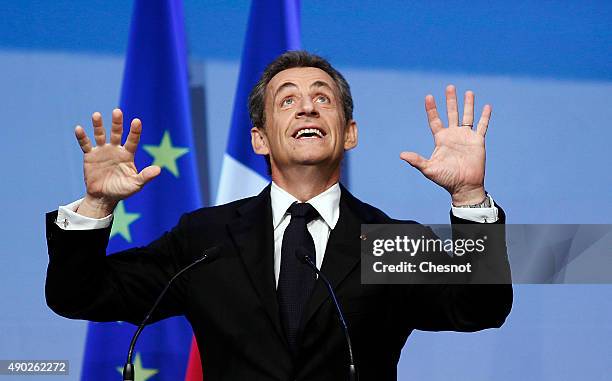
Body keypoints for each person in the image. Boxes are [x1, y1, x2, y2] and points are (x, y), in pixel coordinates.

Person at [45, 51, 512, 380]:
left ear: (348, 134)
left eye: (322, 98)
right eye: (286, 100)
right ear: (260, 140)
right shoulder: (206, 239)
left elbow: (482, 307)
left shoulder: (387, 241)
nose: (307, 105)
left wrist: (470, 196)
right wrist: (98, 206)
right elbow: (79, 295)